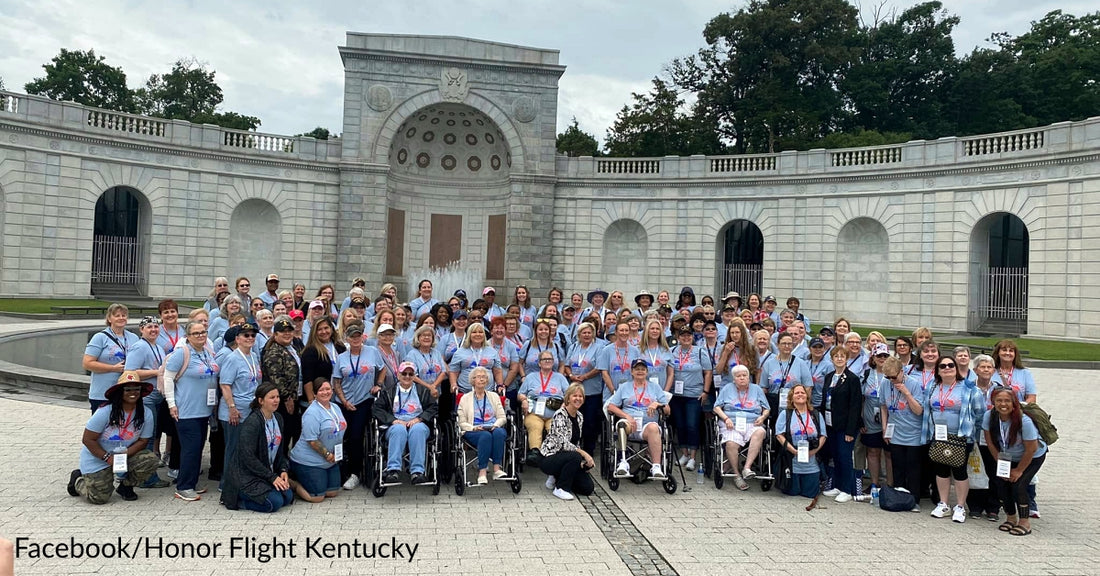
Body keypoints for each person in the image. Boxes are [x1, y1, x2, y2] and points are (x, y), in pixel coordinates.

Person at [66, 371, 159, 504]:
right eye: (127, 389)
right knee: (99, 498)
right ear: (120, 391)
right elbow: (87, 439)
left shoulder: (146, 413)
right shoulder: (105, 411)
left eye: (136, 389)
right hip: (99, 457)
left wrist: (125, 454)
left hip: (124, 456)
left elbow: (143, 441)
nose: (133, 392)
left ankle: (125, 486)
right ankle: (78, 480)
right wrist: (108, 458)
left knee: (150, 460)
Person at [923, 354, 985, 523]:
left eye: (950, 365)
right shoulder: (932, 387)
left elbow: (980, 413)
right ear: (937, 371)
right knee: (941, 470)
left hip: (961, 437)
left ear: (956, 369)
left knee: (959, 471)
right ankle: (943, 503)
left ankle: (959, 506)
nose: (947, 368)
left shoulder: (969, 388)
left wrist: (972, 432)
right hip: (939, 436)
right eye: (942, 366)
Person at [221, 383, 294, 512]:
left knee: (288, 497)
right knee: (274, 503)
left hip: (266, 472)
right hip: (247, 475)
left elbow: (280, 451)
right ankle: (237, 500)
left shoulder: (278, 418)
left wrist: (283, 470)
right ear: (261, 401)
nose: (276, 400)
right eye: (272, 397)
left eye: (277, 397)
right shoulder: (252, 422)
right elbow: (248, 457)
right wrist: (272, 477)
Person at [984, 387, 1046, 536]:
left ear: (1014, 403)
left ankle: (1025, 522)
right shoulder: (989, 416)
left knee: (1019, 486)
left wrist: (1018, 471)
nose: (1003, 404)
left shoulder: (1024, 421)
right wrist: (1001, 465)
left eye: (1007, 401)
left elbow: (1031, 449)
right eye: (999, 400)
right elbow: (990, 443)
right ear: (993, 402)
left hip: (1032, 456)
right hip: (1007, 456)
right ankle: (1011, 517)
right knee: (1001, 484)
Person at [333, 320, 384, 490]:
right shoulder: (341, 358)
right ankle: (341, 470)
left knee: (356, 436)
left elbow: (383, 368)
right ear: (346, 338)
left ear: (362, 337)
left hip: (364, 400)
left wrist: (379, 384)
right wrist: (344, 401)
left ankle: (356, 473)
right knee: (342, 437)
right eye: (351, 336)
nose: (355, 339)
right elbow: (337, 382)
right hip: (344, 402)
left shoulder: (372, 352)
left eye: (358, 336)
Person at [122, 316, 171, 489]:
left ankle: (143, 472)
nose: (153, 330)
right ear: (141, 330)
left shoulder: (157, 347)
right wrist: (155, 372)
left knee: (153, 433)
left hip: (157, 397)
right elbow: (129, 371)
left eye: (156, 327)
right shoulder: (139, 347)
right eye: (149, 327)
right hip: (145, 397)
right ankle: (147, 477)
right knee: (147, 436)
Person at [606, 358, 673, 479]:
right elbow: (611, 406)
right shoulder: (624, 387)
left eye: (643, 369)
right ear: (632, 372)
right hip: (629, 424)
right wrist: (627, 416)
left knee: (653, 428)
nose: (640, 371)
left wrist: (658, 404)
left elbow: (668, 410)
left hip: (647, 426)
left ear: (647, 372)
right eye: (637, 369)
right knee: (621, 424)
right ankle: (623, 462)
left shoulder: (655, 387)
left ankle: (656, 466)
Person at [374, 361, 438, 485]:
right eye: (404, 373)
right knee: (399, 429)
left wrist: (420, 418)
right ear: (398, 375)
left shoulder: (423, 391)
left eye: (410, 374)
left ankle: (417, 471)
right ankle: (393, 470)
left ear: (414, 376)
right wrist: (393, 420)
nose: (407, 377)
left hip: (418, 422)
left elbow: (433, 408)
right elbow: (377, 409)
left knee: (417, 429)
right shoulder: (389, 391)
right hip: (396, 424)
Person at [217, 323, 261, 496]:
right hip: (234, 411)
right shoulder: (232, 358)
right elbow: (225, 385)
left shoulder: (254, 356)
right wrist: (232, 408)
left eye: (252, 335)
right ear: (237, 339)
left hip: (250, 409)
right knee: (233, 449)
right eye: (245, 335)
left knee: (246, 448)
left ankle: (241, 481)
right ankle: (227, 485)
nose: (249, 338)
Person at [880, 356, 927, 512]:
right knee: (897, 467)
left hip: (913, 432)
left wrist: (907, 393)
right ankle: (899, 498)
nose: (892, 380)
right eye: (888, 377)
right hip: (895, 431)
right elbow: (884, 408)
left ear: (902, 372)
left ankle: (914, 499)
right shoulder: (885, 384)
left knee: (913, 469)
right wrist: (885, 428)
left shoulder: (913, 384)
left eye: (894, 377)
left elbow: (919, 410)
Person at [289, 378, 346, 503]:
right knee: (317, 497)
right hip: (309, 460)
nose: (325, 392)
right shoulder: (311, 413)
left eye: (327, 389)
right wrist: (327, 454)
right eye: (321, 390)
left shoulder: (335, 407)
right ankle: (293, 483)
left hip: (330, 460)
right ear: (315, 393)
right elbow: (312, 441)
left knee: (332, 492)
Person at [714, 365, 769, 490]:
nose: (742, 378)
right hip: (731, 423)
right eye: (739, 376)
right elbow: (716, 407)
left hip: (753, 423)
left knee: (760, 432)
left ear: (749, 377)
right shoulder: (728, 388)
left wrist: (762, 417)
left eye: (745, 375)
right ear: (734, 379)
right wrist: (726, 418)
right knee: (731, 443)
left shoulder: (757, 389)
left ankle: (747, 468)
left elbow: (767, 409)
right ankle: (737, 475)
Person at [819, 346, 862, 503]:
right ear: (831, 359)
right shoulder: (829, 376)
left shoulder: (852, 379)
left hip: (845, 425)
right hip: (831, 422)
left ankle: (847, 489)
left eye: (842, 356)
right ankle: (837, 485)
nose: (839, 358)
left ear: (846, 358)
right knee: (835, 455)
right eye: (836, 356)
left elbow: (855, 406)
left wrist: (851, 430)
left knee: (845, 456)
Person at [539, 383, 596, 500]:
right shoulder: (560, 415)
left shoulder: (580, 416)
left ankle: (559, 477)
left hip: (569, 457)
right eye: (574, 396)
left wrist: (583, 462)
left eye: (580, 396)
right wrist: (584, 454)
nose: (578, 399)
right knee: (575, 456)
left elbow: (576, 441)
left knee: (587, 488)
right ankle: (561, 488)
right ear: (568, 398)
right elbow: (563, 443)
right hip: (550, 457)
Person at [668, 326, 712, 470]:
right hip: (677, 395)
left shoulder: (700, 352)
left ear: (692, 337)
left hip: (694, 395)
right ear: (678, 337)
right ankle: (684, 453)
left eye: (688, 336)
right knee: (680, 425)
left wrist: (705, 391)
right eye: (682, 336)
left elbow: (708, 372)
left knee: (692, 425)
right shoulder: (673, 351)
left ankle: (693, 456)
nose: (685, 338)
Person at [82, 303, 140, 412]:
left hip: (126, 393)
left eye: (123, 315)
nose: (121, 318)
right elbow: (87, 363)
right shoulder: (99, 338)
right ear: (109, 318)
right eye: (117, 315)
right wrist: (112, 368)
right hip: (102, 393)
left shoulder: (133, 338)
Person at [774, 383, 827, 499]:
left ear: (807, 396)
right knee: (792, 493)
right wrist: (792, 450)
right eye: (796, 393)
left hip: (812, 463)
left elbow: (823, 435)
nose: (800, 395)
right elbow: (779, 435)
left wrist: (814, 451)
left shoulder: (816, 414)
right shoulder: (785, 414)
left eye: (802, 392)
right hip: (792, 462)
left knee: (810, 495)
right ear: (791, 398)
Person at [457, 367, 509, 485]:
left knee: (499, 433)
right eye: (479, 377)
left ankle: (496, 468)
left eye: (484, 377)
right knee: (485, 436)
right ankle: (482, 472)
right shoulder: (465, 398)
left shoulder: (494, 396)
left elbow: (502, 417)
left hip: (492, 427)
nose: (482, 379)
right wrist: (473, 428)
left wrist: (496, 425)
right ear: (473, 380)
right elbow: (461, 422)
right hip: (474, 430)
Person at [967, 354, 1001, 521]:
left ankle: (993, 506)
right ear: (975, 370)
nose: (986, 370)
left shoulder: (1000, 389)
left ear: (993, 370)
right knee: (974, 470)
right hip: (972, 435)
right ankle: (975, 505)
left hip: (993, 437)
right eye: (982, 367)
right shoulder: (967, 387)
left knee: (993, 471)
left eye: (989, 367)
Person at [519, 351, 570, 462]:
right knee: (535, 425)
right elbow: (521, 393)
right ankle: (535, 452)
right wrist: (524, 400)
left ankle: (554, 452)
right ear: (539, 363)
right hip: (535, 412)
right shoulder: (531, 377)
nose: (547, 361)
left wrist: (564, 404)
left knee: (555, 426)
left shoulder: (560, 377)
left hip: (555, 412)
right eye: (544, 359)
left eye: (550, 359)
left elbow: (569, 394)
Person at [565, 322, 606, 454]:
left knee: (589, 421)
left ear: (593, 334)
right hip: (575, 389)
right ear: (579, 334)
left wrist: (584, 377)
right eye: (584, 332)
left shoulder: (599, 348)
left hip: (591, 390)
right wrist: (571, 375)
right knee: (573, 419)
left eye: (589, 332)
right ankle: (572, 447)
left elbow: (599, 367)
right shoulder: (573, 347)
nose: (587, 335)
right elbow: (566, 365)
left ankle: (588, 449)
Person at [261, 317, 303, 445]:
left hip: (297, 396)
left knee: (295, 430)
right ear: (275, 334)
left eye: (289, 331)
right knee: (284, 433)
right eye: (283, 331)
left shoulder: (293, 347)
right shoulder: (274, 351)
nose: (287, 334)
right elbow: (276, 378)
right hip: (282, 402)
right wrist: (287, 398)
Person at [860, 343, 892, 495]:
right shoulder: (866, 374)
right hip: (870, 419)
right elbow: (860, 398)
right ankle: (874, 483)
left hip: (890, 420)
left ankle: (890, 485)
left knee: (889, 453)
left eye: (885, 356)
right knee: (872, 451)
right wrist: (860, 420)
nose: (882, 358)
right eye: (879, 355)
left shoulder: (892, 374)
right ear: (873, 357)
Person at [300, 317, 345, 402]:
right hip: (320, 396)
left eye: (326, 328)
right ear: (314, 332)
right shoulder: (310, 351)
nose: (324, 332)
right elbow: (307, 379)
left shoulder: (340, 347)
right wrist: (311, 400)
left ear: (331, 329)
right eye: (319, 329)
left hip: (339, 395)